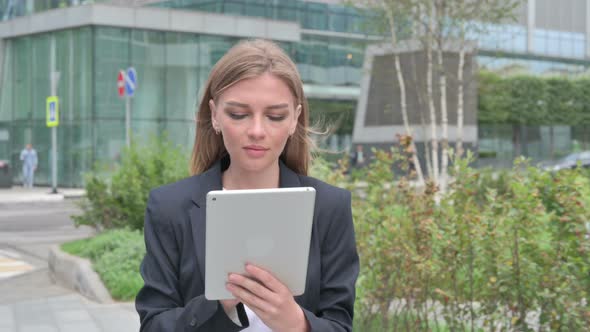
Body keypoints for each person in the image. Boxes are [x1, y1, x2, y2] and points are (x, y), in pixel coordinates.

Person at [135, 39, 359, 331]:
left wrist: (297, 323)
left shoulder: (329, 207)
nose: (256, 131)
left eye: (275, 116)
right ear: (214, 115)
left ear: (294, 119)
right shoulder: (169, 207)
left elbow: (340, 324)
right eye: (238, 114)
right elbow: (153, 324)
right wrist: (218, 304)